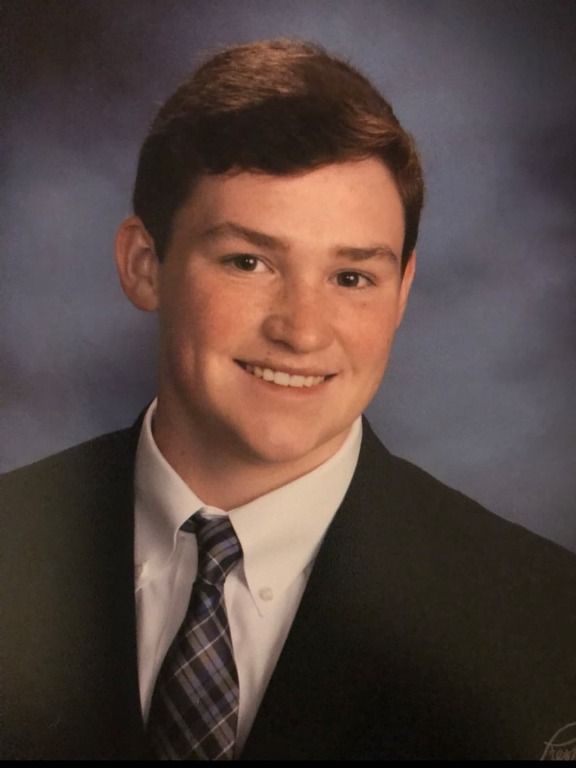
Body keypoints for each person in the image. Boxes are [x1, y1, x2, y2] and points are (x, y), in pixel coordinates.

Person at [1, 39, 575, 761]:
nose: (301, 331)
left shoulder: (545, 623)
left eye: (352, 278)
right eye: (249, 262)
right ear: (145, 266)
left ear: (401, 294)